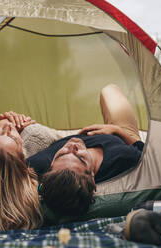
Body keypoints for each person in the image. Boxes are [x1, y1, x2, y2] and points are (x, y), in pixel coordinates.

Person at [29, 84, 144, 216]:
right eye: (80, 158)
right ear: (92, 177)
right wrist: (118, 131)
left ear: (50, 166)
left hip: (74, 136)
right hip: (119, 134)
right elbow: (145, 152)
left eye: (61, 155)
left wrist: (9, 122)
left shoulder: (39, 164)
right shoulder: (122, 157)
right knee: (110, 90)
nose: (71, 147)